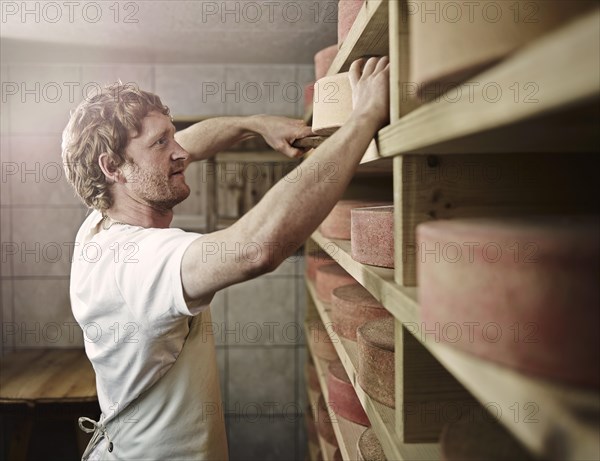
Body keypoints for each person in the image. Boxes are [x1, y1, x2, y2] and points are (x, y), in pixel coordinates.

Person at [62, 56, 389, 460]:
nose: (181, 151)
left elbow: (189, 144)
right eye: (161, 142)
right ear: (112, 167)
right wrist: (365, 116)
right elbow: (256, 248)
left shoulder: (99, 223)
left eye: (173, 135)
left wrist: (252, 124)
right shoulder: (137, 261)